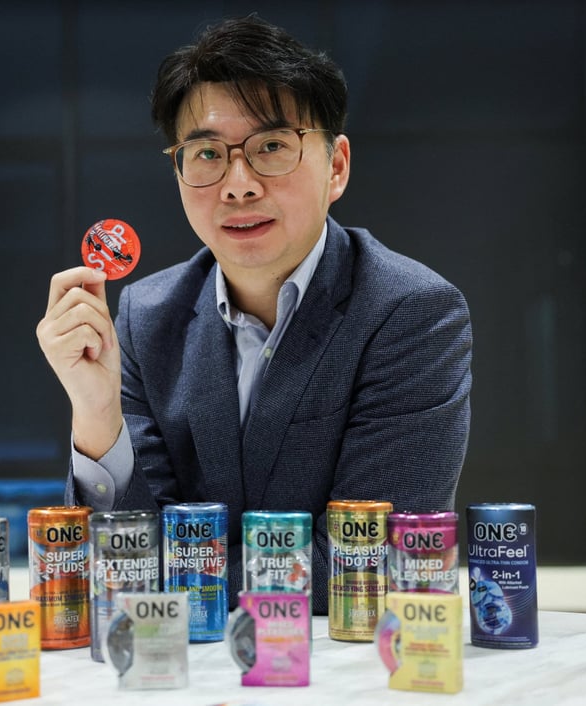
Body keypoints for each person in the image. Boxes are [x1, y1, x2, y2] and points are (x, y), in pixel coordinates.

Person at [36, 15, 472, 615]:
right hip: (178, 667)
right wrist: (95, 414)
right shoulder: (144, 315)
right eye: (207, 154)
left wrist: (169, 576)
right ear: (179, 175)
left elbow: (363, 566)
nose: (237, 185)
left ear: (336, 166)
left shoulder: (408, 311)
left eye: (271, 146)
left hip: (335, 667)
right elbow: (119, 552)